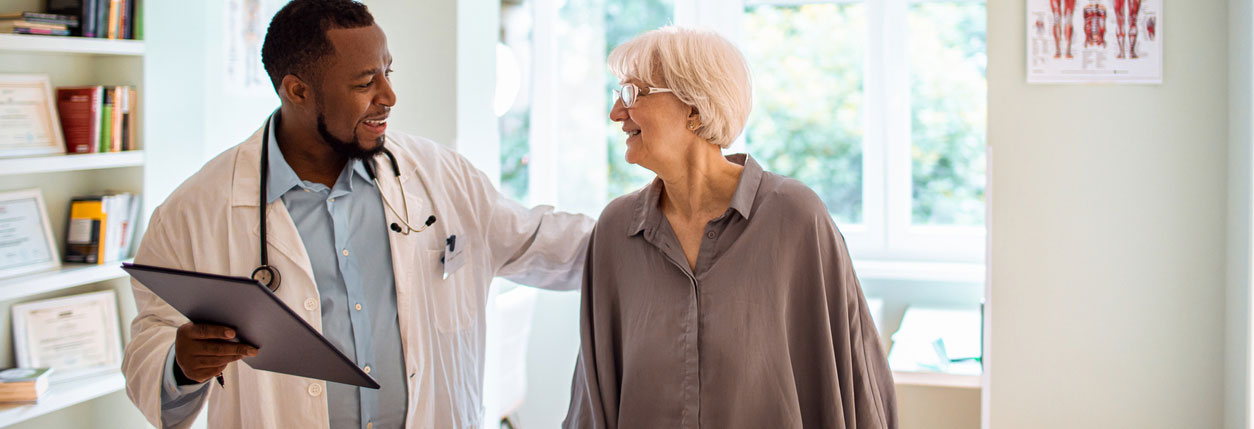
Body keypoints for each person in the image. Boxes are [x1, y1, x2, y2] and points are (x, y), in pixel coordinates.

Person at [121, 1, 594, 427]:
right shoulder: (194, 212)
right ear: (297, 91)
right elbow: (152, 360)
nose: (388, 96)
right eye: (366, 82)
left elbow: (542, 242)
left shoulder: (437, 174)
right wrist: (181, 366)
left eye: (389, 72)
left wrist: (657, 223)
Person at [563, 27, 897, 428]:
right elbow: (591, 401)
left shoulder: (795, 218)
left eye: (632, 94)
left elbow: (858, 383)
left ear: (694, 108)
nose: (616, 112)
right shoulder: (616, 231)